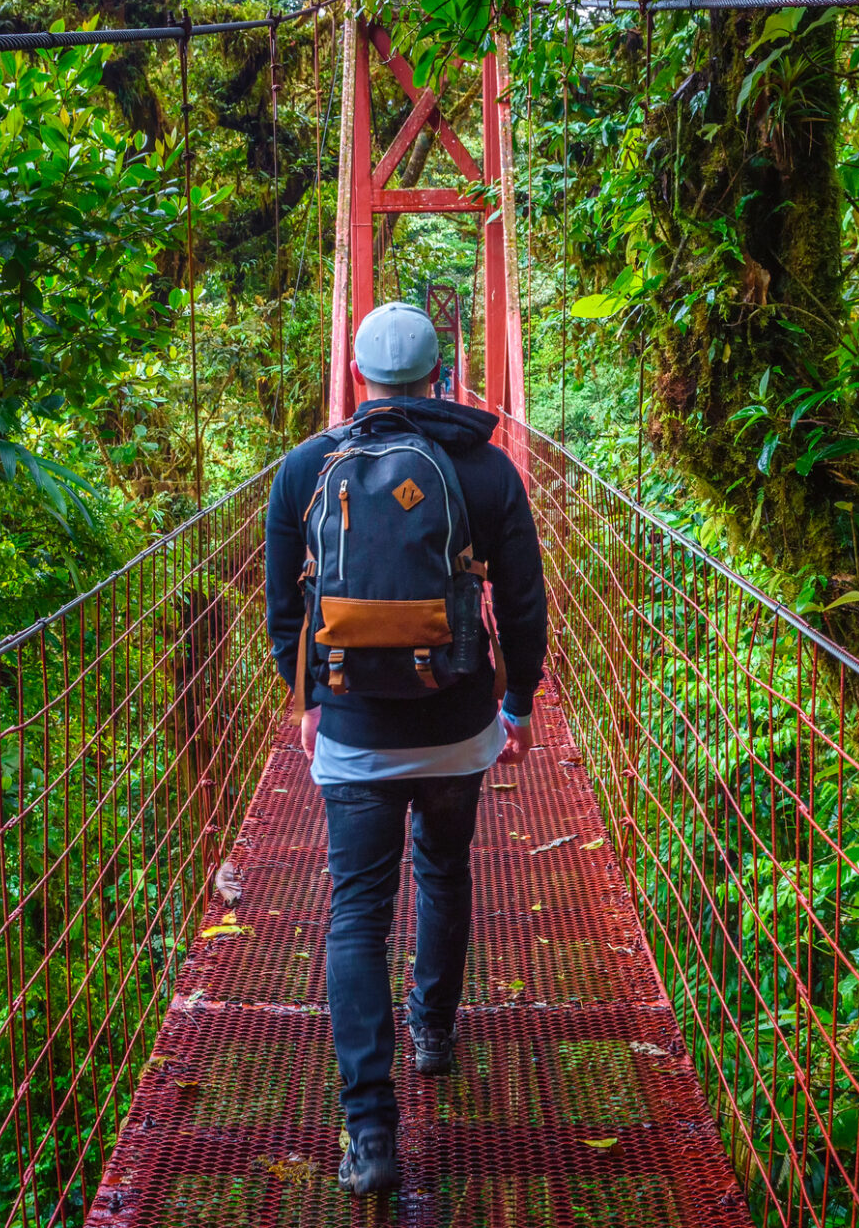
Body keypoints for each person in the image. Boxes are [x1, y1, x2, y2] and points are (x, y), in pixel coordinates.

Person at [264, 301, 547, 1197]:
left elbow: (283, 610)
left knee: (356, 913)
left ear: (357, 379)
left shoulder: (305, 469)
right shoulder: (489, 470)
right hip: (459, 723)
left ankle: (371, 1132)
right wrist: (518, 702)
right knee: (446, 872)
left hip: (351, 734)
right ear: (439, 378)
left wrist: (309, 697)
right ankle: (433, 1032)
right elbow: (527, 603)